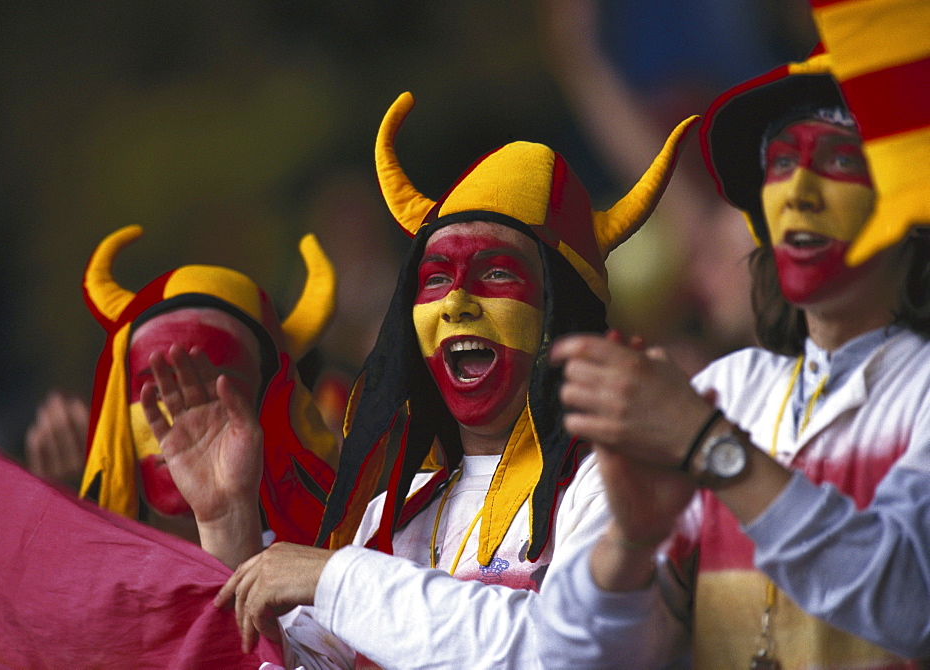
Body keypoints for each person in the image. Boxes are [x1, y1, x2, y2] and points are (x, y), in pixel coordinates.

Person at [140, 91, 696, 667]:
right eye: (435, 278)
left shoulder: (619, 482)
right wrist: (228, 521)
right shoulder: (390, 515)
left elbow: (562, 652)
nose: (456, 302)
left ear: (561, 315)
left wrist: (339, 577)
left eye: (496, 272)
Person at [540, 51, 930, 668]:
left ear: (911, 198)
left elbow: (912, 604)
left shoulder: (921, 390)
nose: (798, 191)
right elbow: (571, 656)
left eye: (838, 160)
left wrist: (713, 449)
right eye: (780, 163)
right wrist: (629, 542)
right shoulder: (730, 389)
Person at [76, 224, 339, 556]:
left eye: (215, 390)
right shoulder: (70, 578)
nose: (184, 415)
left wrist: (227, 524)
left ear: (269, 406)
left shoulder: (334, 578)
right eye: (157, 390)